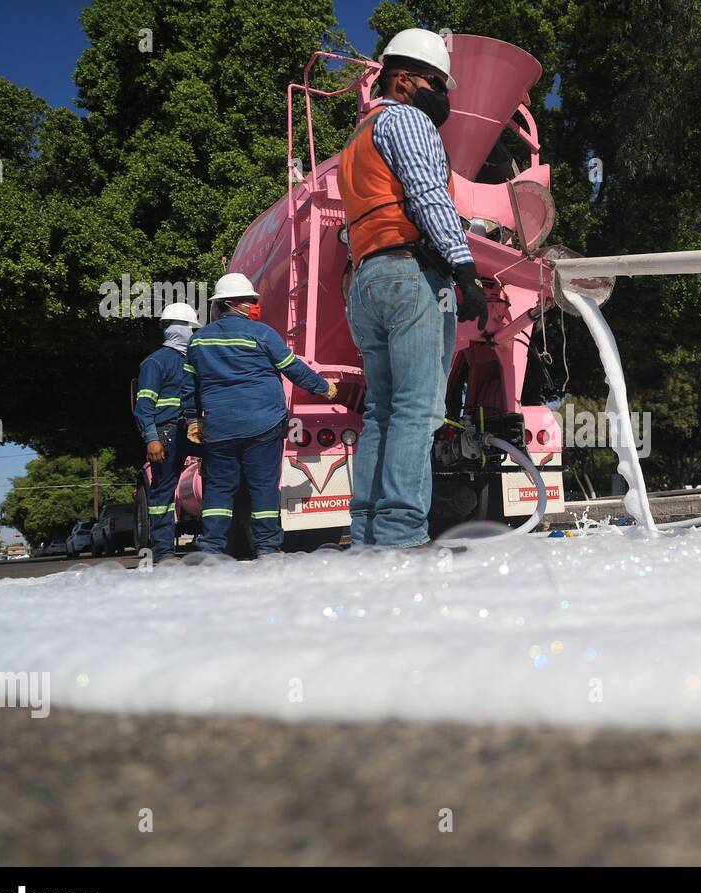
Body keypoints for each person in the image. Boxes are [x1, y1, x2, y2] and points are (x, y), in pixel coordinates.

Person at [339, 28, 488, 550]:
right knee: (418, 410)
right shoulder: (407, 119)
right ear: (403, 80)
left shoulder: (358, 137)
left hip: (367, 281)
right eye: (435, 83)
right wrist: (465, 267)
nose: (441, 98)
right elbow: (428, 195)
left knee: (380, 408)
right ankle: (401, 535)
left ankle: (368, 533)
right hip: (410, 274)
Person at [187, 273, 336, 556]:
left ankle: (210, 550)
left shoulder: (198, 341)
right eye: (250, 300)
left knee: (219, 490)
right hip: (262, 424)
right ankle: (267, 548)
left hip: (219, 427)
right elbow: (292, 368)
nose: (254, 305)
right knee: (264, 488)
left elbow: (188, 386)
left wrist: (192, 420)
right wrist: (323, 388)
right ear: (234, 303)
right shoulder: (263, 334)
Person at [134, 302, 200, 560]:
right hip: (166, 433)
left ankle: (209, 538)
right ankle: (163, 552)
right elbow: (144, 406)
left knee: (216, 477)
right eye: (190, 329)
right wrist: (151, 438)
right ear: (178, 329)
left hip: (192, 431)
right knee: (162, 492)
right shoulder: (155, 363)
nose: (192, 334)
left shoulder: (193, 360)